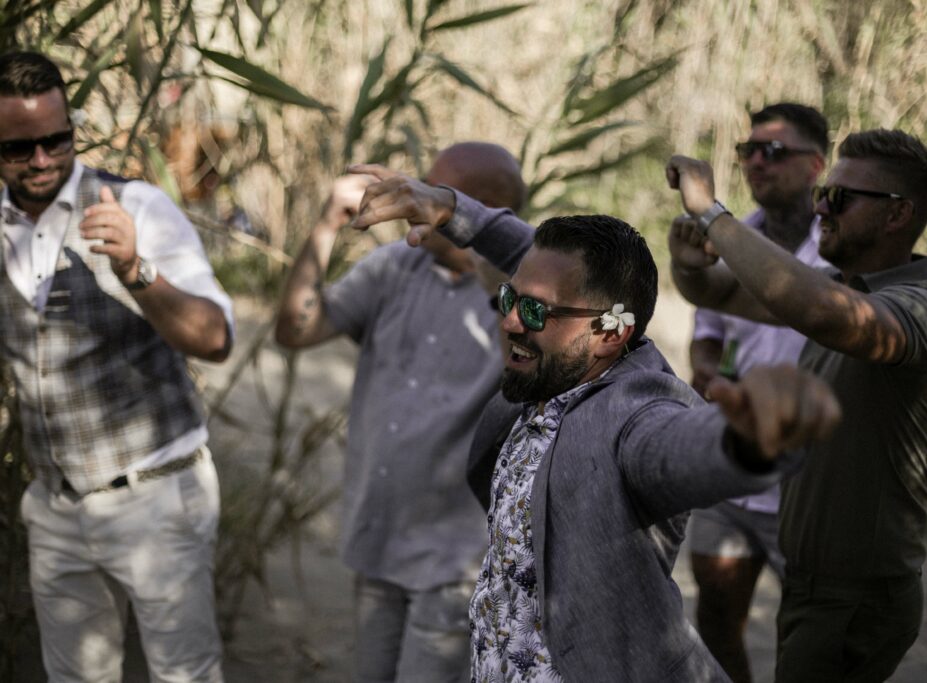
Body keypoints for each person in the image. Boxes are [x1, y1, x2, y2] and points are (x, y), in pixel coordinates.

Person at [345, 163, 842, 680]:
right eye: (510, 299)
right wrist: (449, 206)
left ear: (610, 332)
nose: (510, 319)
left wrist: (748, 441)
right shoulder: (562, 357)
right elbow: (529, 260)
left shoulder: (633, 414)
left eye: (533, 312)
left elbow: (680, 448)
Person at [667, 128, 927, 682]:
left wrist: (713, 214)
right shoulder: (839, 284)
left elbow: (827, 314)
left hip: (854, 598)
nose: (821, 207)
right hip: (816, 585)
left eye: (841, 198)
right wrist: (688, 264)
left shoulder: (925, 312)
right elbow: (718, 293)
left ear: (898, 215)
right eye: (823, 193)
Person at [0, 51, 234, 681]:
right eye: (20, 149)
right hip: (56, 505)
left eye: (56, 140)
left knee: (183, 673)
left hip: (157, 496)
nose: (43, 160)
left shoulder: (139, 208)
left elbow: (215, 339)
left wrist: (136, 269)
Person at [275, 142, 527, 682]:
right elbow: (295, 331)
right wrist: (324, 227)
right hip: (378, 538)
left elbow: (529, 392)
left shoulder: (524, 298)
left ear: (470, 209)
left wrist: (493, 280)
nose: (412, 197)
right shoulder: (393, 267)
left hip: (456, 558)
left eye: (433, 191)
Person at [683, 103, 829, 683]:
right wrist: (706, 373)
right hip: (730, 468)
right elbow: (708, 330)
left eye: (775, 151)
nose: (756, 163)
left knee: (810, 643)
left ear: (818, 164)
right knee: (716, 616)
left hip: (809, 481)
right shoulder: (732, 239)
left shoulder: (841, 249)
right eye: (748, 152)